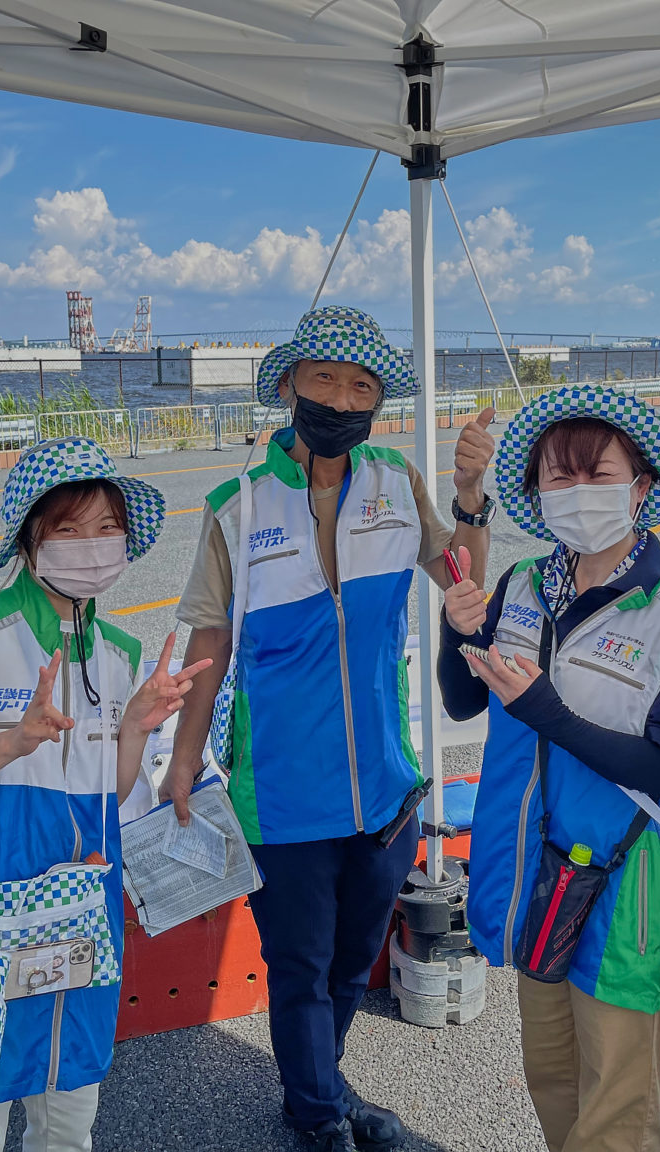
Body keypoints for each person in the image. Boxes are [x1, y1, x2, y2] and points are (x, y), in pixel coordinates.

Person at [165, 305, 496, 1152]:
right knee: (300, 969)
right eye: (325, 379)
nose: (342, 398)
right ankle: (315, 1115)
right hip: (281, 792)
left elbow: (460, 581)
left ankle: (320, 1087)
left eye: (361, 386)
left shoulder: (395, 480)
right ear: (288, 387)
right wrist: (182, 763)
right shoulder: (236, 505)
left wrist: (470, 500)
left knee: (353, 964)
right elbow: (208, 646)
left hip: (386, 787)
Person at [0, 436, 210, 1152]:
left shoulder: (121, 653)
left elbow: (112, 794)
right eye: (67, 529)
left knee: (69, 1115)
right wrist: (9, 745)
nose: (92, 546)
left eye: (107, 528)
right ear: (27, 539)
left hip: (80, 922)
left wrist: (135, 729)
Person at [438, 385, 660, 1152]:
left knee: (617, 1106)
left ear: (641, 487)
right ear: (536, 493)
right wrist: (454, 622)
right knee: (552, 1078)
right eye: (559, 478)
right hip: (536, 876)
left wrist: (548, 710)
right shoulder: (523, 586)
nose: (579, 493)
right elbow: (462, 700)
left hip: (629, 883)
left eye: (599, 475)